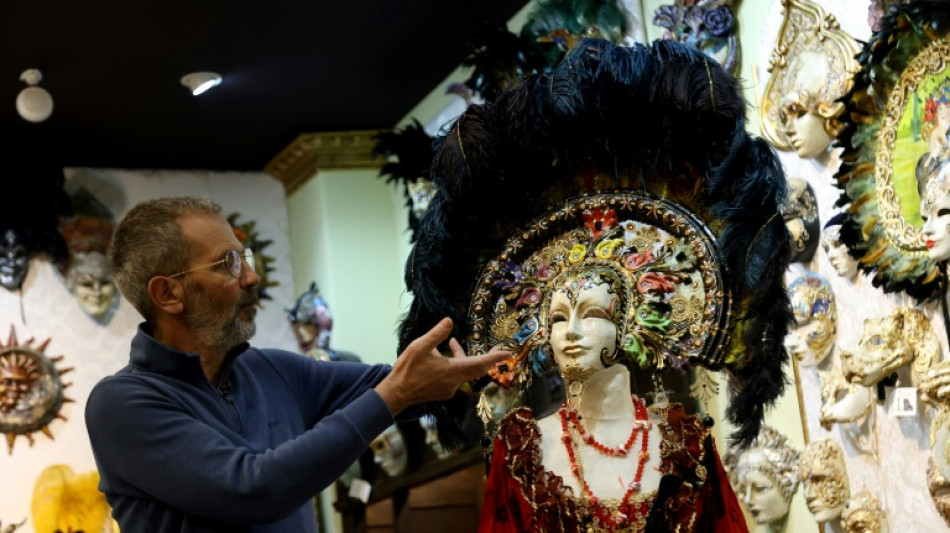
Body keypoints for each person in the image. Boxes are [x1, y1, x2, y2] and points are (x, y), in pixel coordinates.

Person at [84, 197, 508, 533]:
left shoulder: (274, 372)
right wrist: (395, 394)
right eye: (227, 264)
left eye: (245, 256)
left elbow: (409, 383)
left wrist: (504, 338)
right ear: (168, 295)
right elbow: (256, 488)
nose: (251, 278)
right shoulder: (121, 404)